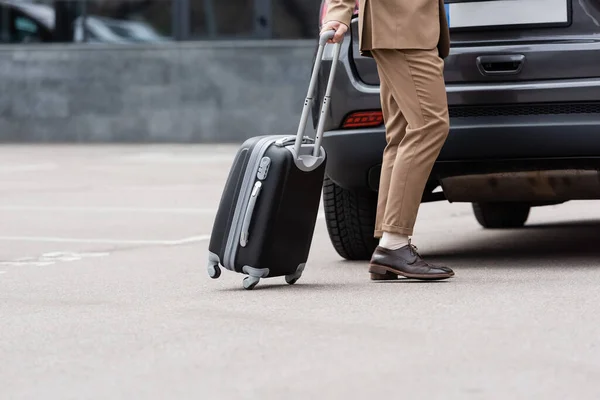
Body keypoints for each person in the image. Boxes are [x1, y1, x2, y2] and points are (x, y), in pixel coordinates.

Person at [321, 0, 455, 281]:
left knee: (402, 132)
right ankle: (394, 244)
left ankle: (389, 245)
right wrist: (338, 12)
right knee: (429, 126)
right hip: (401, 26)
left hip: (402, 27)